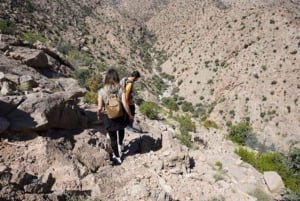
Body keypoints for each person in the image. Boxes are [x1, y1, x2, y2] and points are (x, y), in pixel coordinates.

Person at [97, 69, 133, 164]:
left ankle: (117, 157)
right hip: (120, 115)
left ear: (106, 79)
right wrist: (130, 115)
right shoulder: (121, 89)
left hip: (108, 117)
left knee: (113, 138)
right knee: (121, 129)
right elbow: (125, 104)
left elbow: (100, 107)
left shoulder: (101, 91)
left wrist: (99, 115)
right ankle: (121, 145)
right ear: (117, 78)